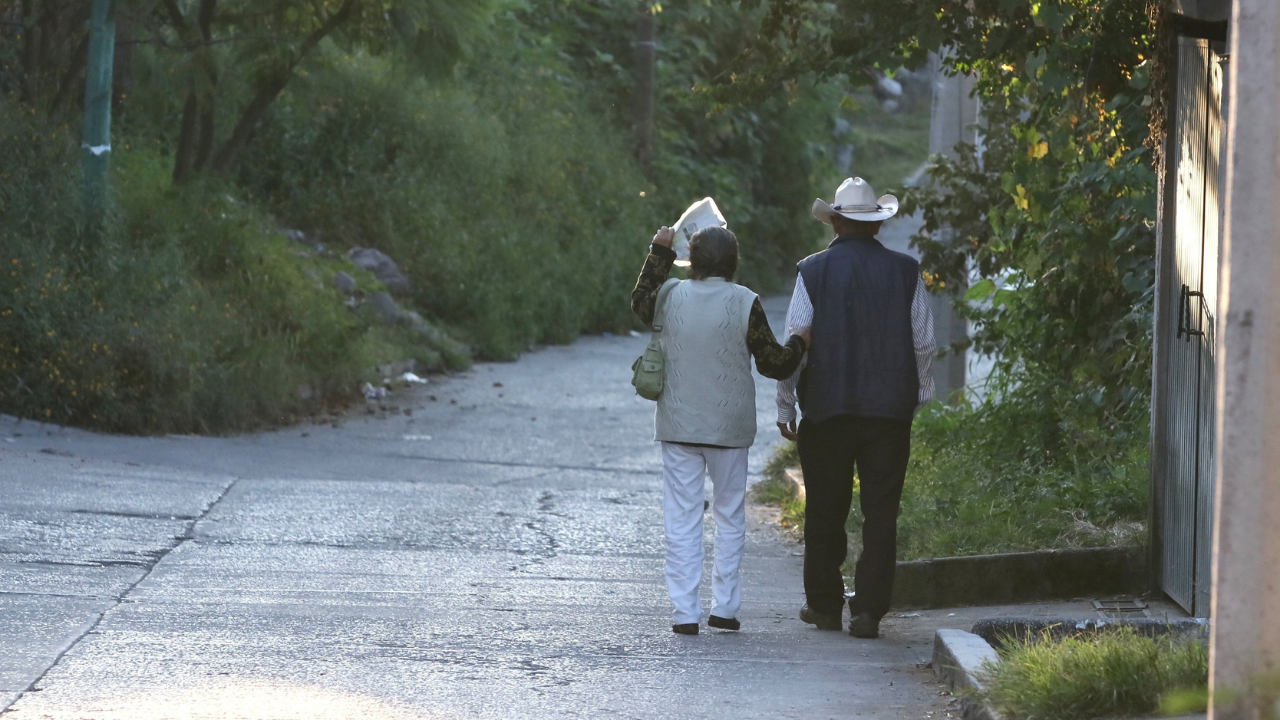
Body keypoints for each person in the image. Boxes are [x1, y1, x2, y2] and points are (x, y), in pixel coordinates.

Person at [777, 177, 936, 639]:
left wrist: (786, 403)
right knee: (882, 511)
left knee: (825, 508)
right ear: (877, 227)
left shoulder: (812, 271)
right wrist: (919, 395)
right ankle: (868, 612)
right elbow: (923, 342)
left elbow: (796, 343)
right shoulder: (907, 272)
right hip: (889, 413)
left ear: (836, 222)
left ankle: (825, 607)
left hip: (827, 410)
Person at [632, 225, 810, 636]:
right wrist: (800, 343)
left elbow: (639, 302)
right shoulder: (745, 302)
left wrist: (658, 252)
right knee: (729, 516)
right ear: (733, 262)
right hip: (729, 429)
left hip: (678, 426)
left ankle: (684, 613)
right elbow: (774, 364)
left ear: (690, 261)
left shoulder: (669, 295)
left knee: (682, 518)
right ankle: (725, 609)